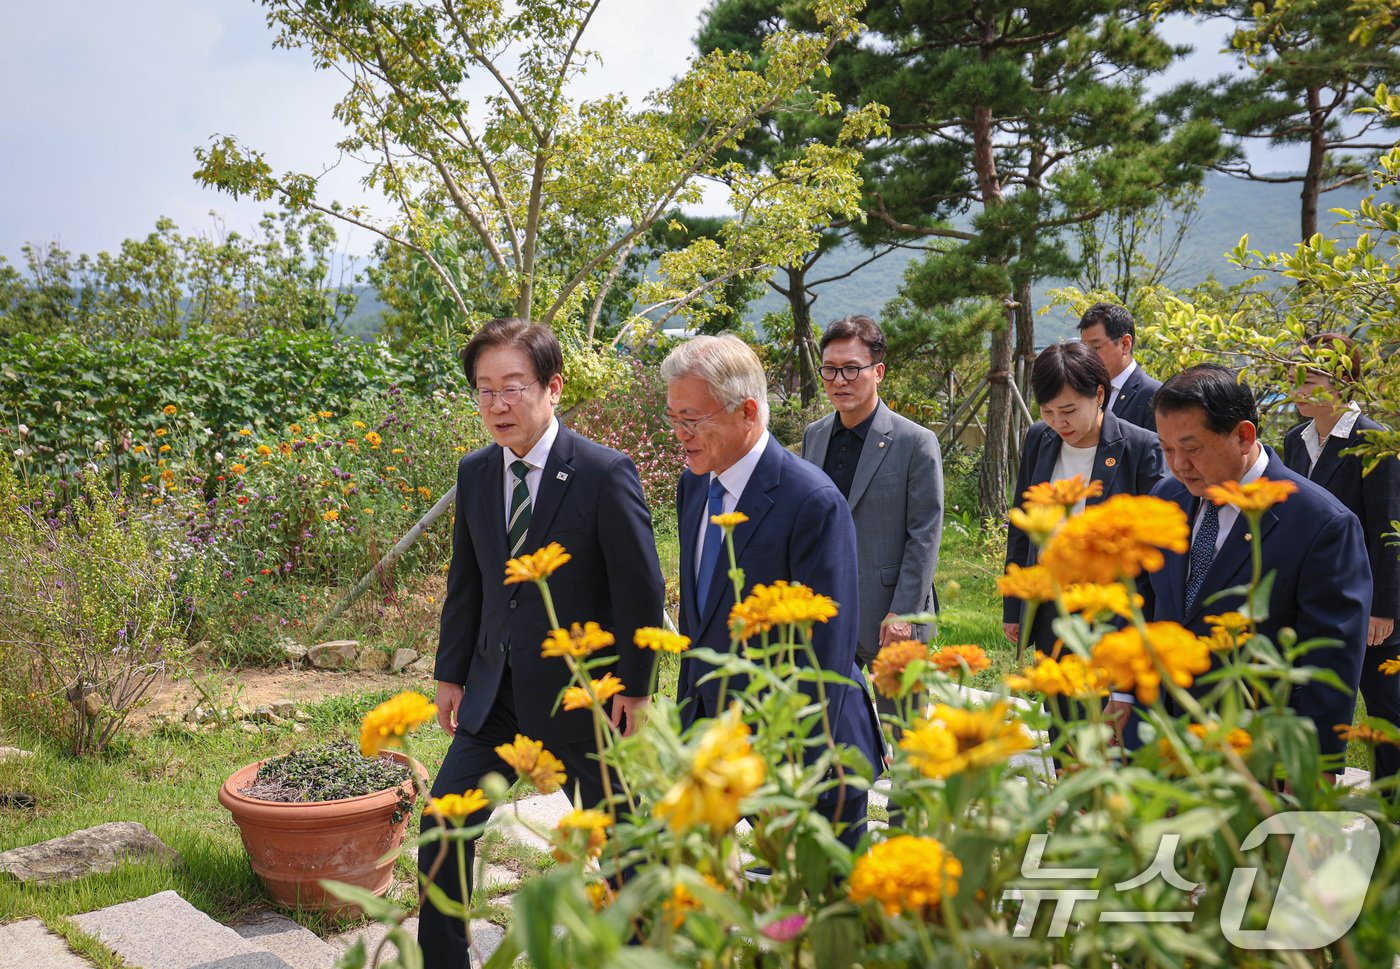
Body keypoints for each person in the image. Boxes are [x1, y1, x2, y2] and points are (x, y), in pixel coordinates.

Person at [422, 318, 665, 967]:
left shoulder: (604, 472)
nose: (498, 404)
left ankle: (646, 953)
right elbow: (467, 583)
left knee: (624, 845)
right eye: (485, 389)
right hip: (495, 696)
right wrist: (451, 673)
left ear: (552, 387)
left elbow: (643, 589)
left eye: (514, 387)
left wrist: (636, 688)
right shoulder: (476, 472)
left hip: (584, 699)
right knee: (443, 824)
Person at [661, 334, 882, 847]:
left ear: (747, 412)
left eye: (691, 419)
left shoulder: (811, 500)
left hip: (804, 756)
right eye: (673, 419)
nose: (680, 435)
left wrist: (783, 771)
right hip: (712, 743)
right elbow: (700, 620)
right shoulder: (695, 483)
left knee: (831, 914)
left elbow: (824, 652)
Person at [1149, 364, 1370, 772]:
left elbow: (1330, 662)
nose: (1178, 465)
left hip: (1258, 756)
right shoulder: (1167, 498)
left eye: (1192, 448)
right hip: (1162, 738)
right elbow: (1148, 603)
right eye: (1166, 449)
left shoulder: (1320, 524)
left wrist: (1308, 768)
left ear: (1243, 435)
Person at [1002, 341, 1164, 748]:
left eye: (1069, 410)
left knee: (1113, 732)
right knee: (1064, 727)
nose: (1059, 422)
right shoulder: (1040, 438)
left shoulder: (1140, 448)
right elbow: (1023, 524)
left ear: (1099, 395)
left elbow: (1154, 547)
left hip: (1114, 611)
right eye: (1049, 411)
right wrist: (1015, 606)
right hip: (1053, 608)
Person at [801, 315, 943, 719]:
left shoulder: (915, 442)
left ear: (877, 371)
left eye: (851, 369)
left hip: (889, 615)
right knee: (831, 733)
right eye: (830, 369)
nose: (839, 380)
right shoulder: (815, 435)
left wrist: (904, 613)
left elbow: (925, 534)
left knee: (906, 731)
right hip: (826, 612)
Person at [1283, 332, 1400, 781]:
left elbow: (1388, 528)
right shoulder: (1297, 439)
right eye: (1294, 376)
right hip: (1314, 598)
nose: (1297, 387)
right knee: (1319, 698)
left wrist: (1384, 609)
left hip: (1365, 600)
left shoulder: (1374, 440)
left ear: (1343, 382)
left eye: (1309, 378)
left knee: (1385, 705)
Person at [1077, 302, 1162, 432]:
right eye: (1084, 348)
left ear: (1125, 344)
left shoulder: (1154, 395)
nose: (1088, 356)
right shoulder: (1083, 391)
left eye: (1096, 347)